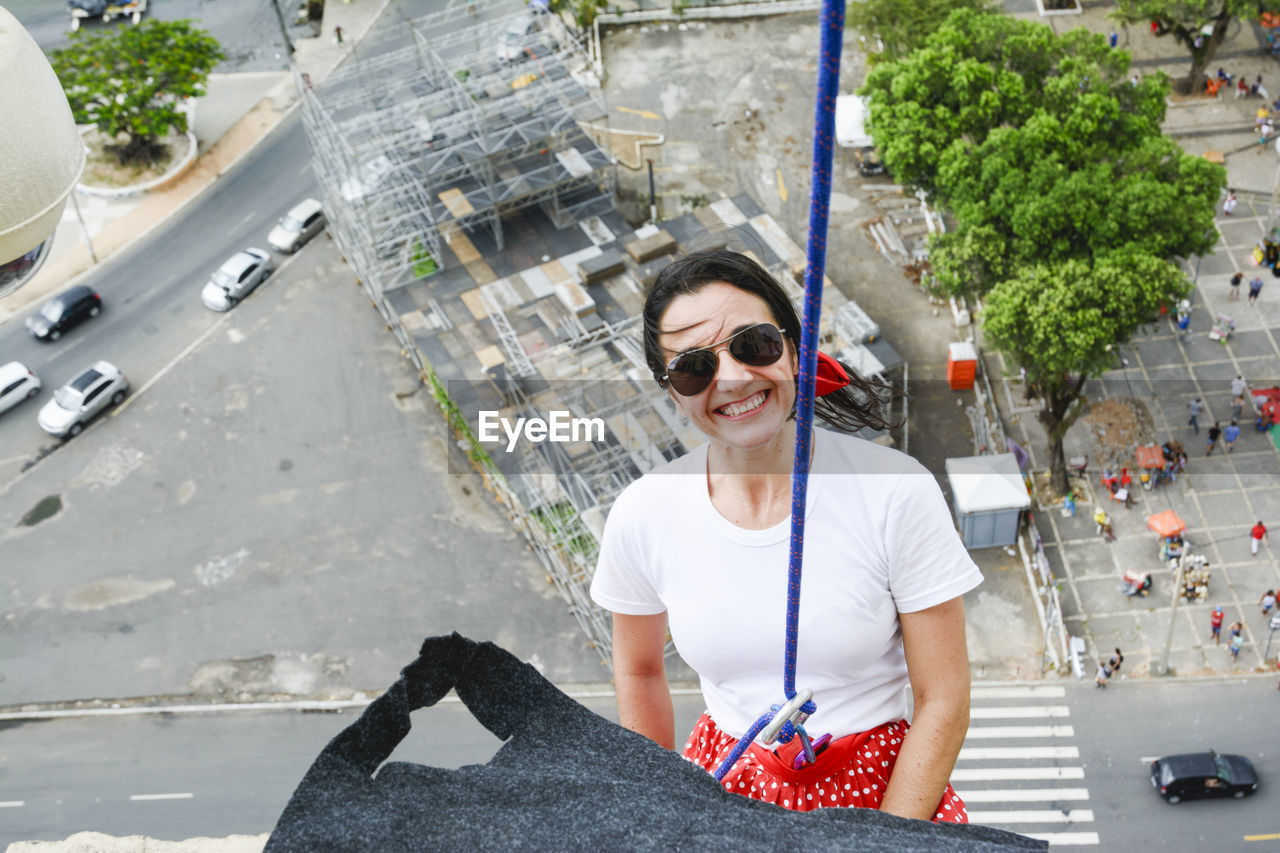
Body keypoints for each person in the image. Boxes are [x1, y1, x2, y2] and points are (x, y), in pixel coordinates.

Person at [591, 250, 981, 823]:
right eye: (693, 368)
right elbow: (641, 672)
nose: (732, 378)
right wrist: (658, 810)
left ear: (793, 348)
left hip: (887, 797)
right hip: (723, 790)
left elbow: (944, 700)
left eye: (753, 345)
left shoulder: (894, 491)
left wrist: (883, 840)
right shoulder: (645, 513)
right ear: (671, 389)